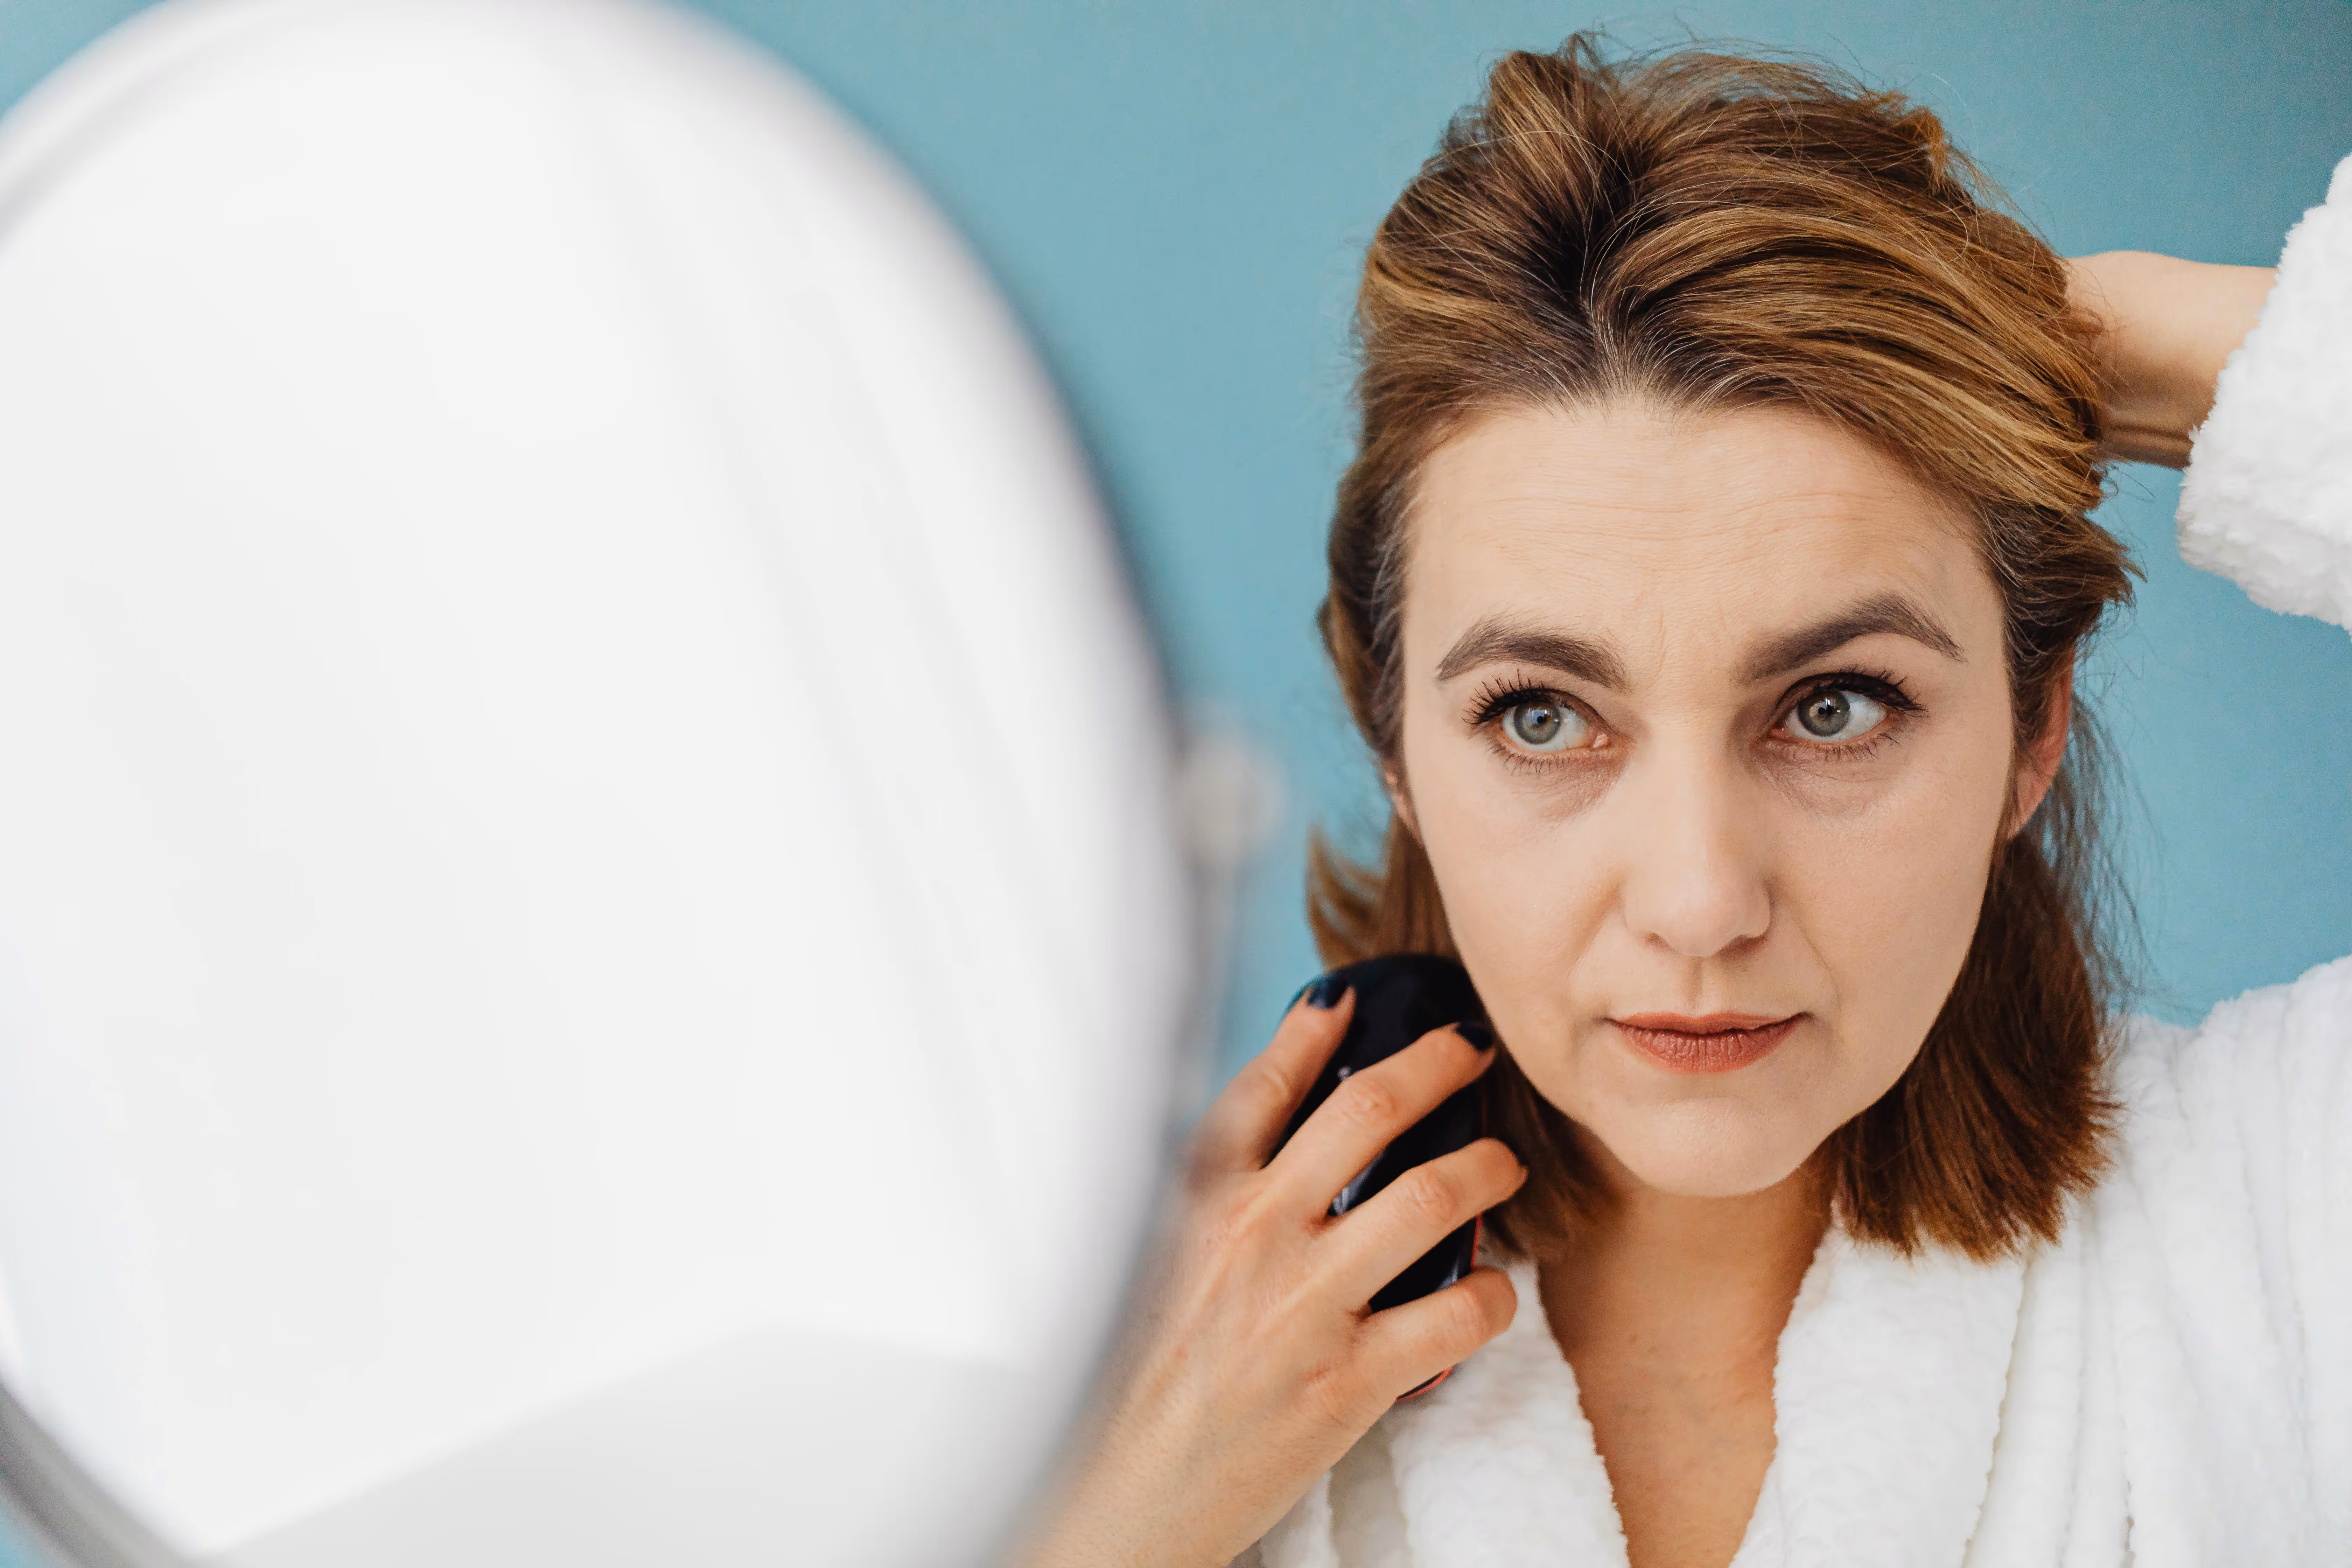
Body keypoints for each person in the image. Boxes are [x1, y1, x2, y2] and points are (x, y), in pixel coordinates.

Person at [1020, 36, 2350, 1568]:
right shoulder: (1079, 1390)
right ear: (1389, 736)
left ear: (2033, 724)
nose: (1700, 899)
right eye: (1543, 717)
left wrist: (2137, 354)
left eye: (1834, 708)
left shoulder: (2284, 1237)